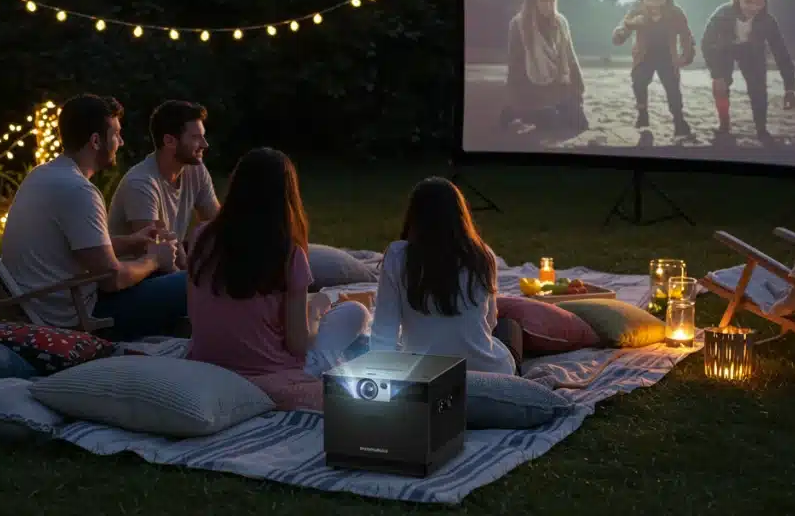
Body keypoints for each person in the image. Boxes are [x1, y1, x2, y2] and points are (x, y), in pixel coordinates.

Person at [186, 147, 369, 411]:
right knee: (355, 312)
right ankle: (326, 366)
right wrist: (316, 311)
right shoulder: (287, 253)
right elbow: (298, 345)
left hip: (209, 359)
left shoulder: (201, 236)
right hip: (270, 371)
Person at [0, 93, 187, 341]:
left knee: (161, 275)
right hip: (76, 315)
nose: (120, 142)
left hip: (42, 301)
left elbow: (77, 249)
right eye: (116, 134)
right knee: (189, 284)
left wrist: (134, 241)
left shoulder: (42, 175)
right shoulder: (79, 191)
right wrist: (154, 259)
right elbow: (112, 279)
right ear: (96, 141)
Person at [370, 177, 522, 374]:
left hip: (424, 372)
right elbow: (490, 322)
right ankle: (518, 375)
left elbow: (384, 329)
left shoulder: (398, 255)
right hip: (487, 370)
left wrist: (380, 377)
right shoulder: (483, 255)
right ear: (461, 215)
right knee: (509, 327)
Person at [108, 100, 219, 265]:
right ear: (169, 141)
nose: (205, 144)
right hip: (135, 279)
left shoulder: (195, 170)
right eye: (196, 137)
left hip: (168, 267)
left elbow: (217, 224)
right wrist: (190, 282)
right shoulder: (142, 183)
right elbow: (154, 252)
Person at [700, 0, 795, 142]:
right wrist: (717, 75)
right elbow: (706, 44)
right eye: (748, 2)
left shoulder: (767, 21)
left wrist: (790, 87)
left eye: (760, 2)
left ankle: (761, 128)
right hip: (724, 50)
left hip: (752, 51)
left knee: (758, 88)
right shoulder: (722, 15)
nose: (754, 8)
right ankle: (724, 124)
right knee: (721, 86)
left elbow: (781, 52)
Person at [611, 0, 696, 137]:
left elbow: (686, 35)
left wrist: (686, 55)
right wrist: (621, 34)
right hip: (644, 56)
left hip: (667, 56)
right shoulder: (637, 11)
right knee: (638, 82)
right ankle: (642, 113)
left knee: (673, 89)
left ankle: (679, 120)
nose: (655, 3)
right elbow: (625, 27)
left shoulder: (675, 12)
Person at [501, 0, 587, 133]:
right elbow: (515, 65)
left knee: (580, 124)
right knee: (551, 123)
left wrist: (578, 88)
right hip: (532, 87)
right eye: (543, 0)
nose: (549, 4)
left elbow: (570, 55)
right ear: (533, 1)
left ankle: (550, 110)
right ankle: (514, 112)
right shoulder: (519, 25)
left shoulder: (561, 22)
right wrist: (517, 98)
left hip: (558, 85)